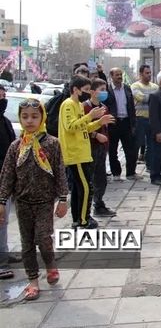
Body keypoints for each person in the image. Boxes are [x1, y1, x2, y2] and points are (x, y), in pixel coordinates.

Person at [0, 99, 69, 300]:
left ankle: (50, 264)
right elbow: (7, 176)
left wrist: (63, 199)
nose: (30, 121)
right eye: (25, 116)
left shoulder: (52, 143)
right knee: (27, 243)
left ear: (42, 118)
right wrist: (2, 202)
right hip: (22, 202)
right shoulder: (16, 146)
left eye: (34, 116)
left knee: (43, 238)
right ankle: (33, 281)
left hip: (45, 202)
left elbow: (60, 173)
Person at [59, 75, 114, 229]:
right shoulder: (69, 104)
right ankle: (83, 220)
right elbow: (70, 126)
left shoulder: (77, 105)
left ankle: (78, 218)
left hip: (82, 152)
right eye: (86, 90)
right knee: (86, 187)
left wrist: (98, 122)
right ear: (75, 90)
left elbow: (83, 127)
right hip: (74, 153)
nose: (88, 92)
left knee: (80, 187)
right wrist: (90, 116)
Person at [84, 79, 116, 217]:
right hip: (89, 148)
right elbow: (81, 127)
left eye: (105, 89)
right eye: (101, 89)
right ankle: (86, 210)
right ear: (92, 91)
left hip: (102, 148)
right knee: (89, 179)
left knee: (101, 179)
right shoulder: (85, 107)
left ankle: (99, 204)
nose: (104, 92)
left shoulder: (104, 107)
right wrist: (95, 135)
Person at [106, 67, 139, 181]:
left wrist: (133, 123)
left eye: (120, 74)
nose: (119, 77)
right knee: (112, 150)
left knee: (131, 149)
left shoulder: (127, 88)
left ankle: (131, 173)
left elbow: (131, 107)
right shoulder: (107, 89)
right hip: (113, 123)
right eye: (117, 75)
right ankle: (116, 174)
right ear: (111, 76)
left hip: (126, 122)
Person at [0, 87, 16, 280]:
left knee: (3, 219)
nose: (3, 101)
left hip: (6, 176)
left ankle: (3, 253)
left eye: (4, 97)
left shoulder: (4, 121)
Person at [130, 65, 159, 173]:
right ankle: (132, 169)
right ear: (141, 74)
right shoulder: (135, 86)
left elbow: (157, 98)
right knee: (137, 144)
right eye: (147, 73)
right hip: (139, 119)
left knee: (151, 144)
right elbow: (141, 98)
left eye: (150, 72)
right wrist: (153, 98)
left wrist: (152, 98)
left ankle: (150, 166)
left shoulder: (155, 86)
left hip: (152, 119)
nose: (149, 75)